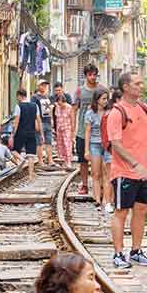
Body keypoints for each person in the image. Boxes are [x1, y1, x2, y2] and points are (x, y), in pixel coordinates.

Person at [107, 71, 147, 270]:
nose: (141, 86)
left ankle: (136, 251)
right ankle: (118, 253)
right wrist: (133, 162)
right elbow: (115, 144)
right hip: (124, 171)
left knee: (141, 210)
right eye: (137, 83)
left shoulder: (143, 109)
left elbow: (145, 134)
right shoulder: (117, 112)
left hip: (142, 170)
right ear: (126, 87)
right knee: (121, 211)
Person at [73, 64, 104, 195]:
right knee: (83, 160)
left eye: (94, 74)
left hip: (99, 131)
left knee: (101, 159)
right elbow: (74, 110)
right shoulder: (80, 91)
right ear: (85, 76)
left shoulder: (102, 90)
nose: (92, 77)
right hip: (82, 130)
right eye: (89, 74)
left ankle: (101, 185)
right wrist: (72, 129)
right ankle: (85, 185)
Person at [83, 90, 112, 212]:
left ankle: (106, 200)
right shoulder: (90, 113)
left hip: (107, 145)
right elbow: (87, 131)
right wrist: (86, 150)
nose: (105, 101)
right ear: (97, 100)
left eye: (107, 99)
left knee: (107, 174)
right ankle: (97, 199)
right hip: (94, 144)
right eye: (103, 99)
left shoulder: (109, 112)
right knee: (96, 173)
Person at [11, 89, 41, 163]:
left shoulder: (18, 106)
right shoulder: (35, 106)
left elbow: (16, 122)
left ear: (19, 96)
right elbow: (39, 120)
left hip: (20, 133)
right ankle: (30, 174)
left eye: (17, 97)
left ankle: (22, 160)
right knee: (31, 155)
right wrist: (41, 133)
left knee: (14, 151)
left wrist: (12, 135)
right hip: (31, 133)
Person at [32, 80, 56, 167]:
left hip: (48, 121)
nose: (44, 86)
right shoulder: (34, 97)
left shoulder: (48, 97)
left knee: (49, 142)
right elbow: (33, 111)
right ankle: (40, 161)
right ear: (38, 86)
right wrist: (35, 122)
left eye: (45, 85)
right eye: (42, 85)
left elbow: (50, 110)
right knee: (40, 142)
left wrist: (52, 120)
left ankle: (50, 160)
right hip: (40, 122)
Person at [53, 92, 74, 169]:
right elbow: (56, 118)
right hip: (59, 129)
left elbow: (72, 119)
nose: (60, 104)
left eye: (61, 102)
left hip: (67, 129)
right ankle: (64, 161)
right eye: (58, 102)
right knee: (60, 146)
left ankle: (69, 161)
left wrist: (72, 131)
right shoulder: (57, 107)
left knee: (67, 145)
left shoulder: (69, 107)